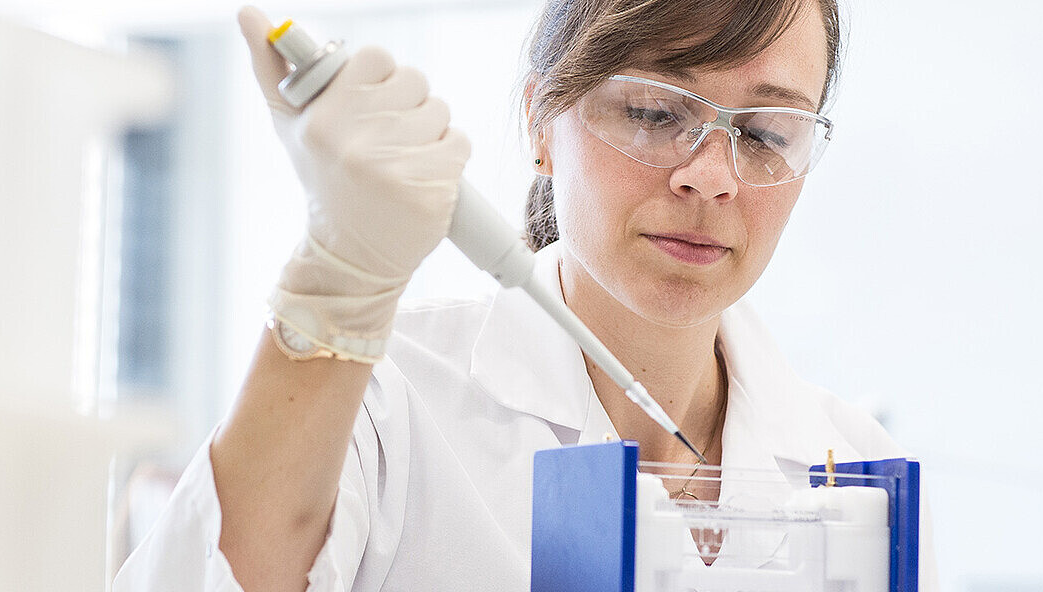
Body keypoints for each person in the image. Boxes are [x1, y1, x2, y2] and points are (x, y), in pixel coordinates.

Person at [115, 0, 938, 590]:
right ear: (542, 125)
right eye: (654, 112)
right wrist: (336, 280)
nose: (711, 177)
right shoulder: (385, 400)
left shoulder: (852, 465)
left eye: (764, 133)